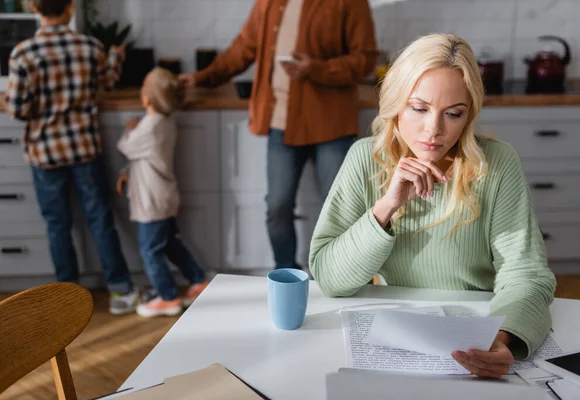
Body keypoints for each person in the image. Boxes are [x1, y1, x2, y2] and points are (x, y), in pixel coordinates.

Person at [308, 34, 557, 378]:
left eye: (453, 114)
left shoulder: (497, 164)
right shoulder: (365, 158)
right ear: (396, 102)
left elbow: (526, 274)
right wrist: (386, 207)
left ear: (469, 115)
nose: (433, 130)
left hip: (476, 334)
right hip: (395, 339)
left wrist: (505, 338)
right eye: (419, 108)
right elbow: (331, 280)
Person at [179, 0, 378, 270]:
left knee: (342, 211)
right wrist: (204, 77)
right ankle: (287, 275)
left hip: (330, 123)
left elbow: (365, 59)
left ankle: (341, 274)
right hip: (281, 123)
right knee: (277, 208)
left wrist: (316, 68)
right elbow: (244, 48)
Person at [3, 0, 139, 314]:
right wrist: (116, 57)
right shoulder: (90, 46)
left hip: (46, 153)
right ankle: (121, 291)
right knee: (100, 220)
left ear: (34, 9)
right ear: (70, 8)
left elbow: (20, 109)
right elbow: (106, 82)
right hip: (85, 150)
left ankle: (65, 299)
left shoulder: (23, 53)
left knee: (58, 225)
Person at [117, 67, 210, 317]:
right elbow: (145, 156)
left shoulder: (148, 126)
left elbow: (127, 147)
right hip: (165, 196)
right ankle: (197, 280)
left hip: (152, 201)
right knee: (169, 243)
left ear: (146, 98)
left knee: (150, 250)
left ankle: (167, 296)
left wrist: (129, 127)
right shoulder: (166, 121)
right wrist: (128, 172)